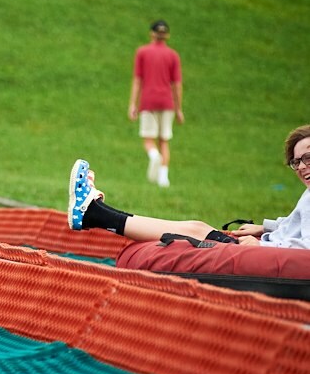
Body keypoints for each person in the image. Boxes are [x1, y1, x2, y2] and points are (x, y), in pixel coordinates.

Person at [67, 124, 310, 249]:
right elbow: (299, 225)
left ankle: (95, 213)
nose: (301, 167)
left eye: (307, 158)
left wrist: (263, 246)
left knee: (194, 232)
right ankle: (95, 212)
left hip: (267, 253)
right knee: (197, 226)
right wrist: (266, 227)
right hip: (267, 246)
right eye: (296, 161)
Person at [128, 19, 182, 188]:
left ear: (152, 34)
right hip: (167, 101)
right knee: (164, 140)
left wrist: (133, 104)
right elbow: (176, 84)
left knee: (148, 139)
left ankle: (154, 156)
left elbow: (138, 80)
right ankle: (163, 178)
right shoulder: (173, 55)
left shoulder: (142, 52)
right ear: (167, 35)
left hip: (148, 101)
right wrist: (179, 109)